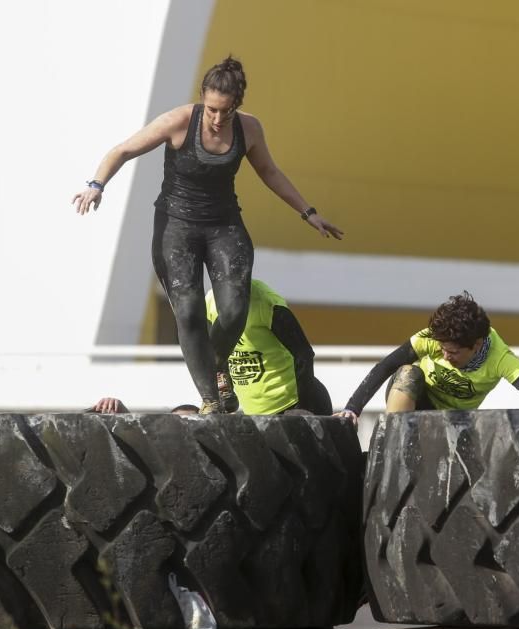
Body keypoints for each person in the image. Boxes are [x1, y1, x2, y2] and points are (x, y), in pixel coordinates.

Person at [73, 56, 344, 414]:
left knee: (234, 310)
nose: (218, 119)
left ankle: (217, 367)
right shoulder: (179, 121)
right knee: (188, 311)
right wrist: (96, 185)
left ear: (238, 105)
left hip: (223, 224)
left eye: (227, 111)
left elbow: (270, 172)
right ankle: (211, 399)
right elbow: (122, 150)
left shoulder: (249, 129)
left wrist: (308, 212)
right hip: (177, 226)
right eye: (213, 109)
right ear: (203, 97)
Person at [336, 292, 519, 424]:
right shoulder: (433, 338)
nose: (445, 356)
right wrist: (352, 409)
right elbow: (385, 367)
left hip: (454, 421)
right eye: (443, 349)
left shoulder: (500, 358)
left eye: (453, 352)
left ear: (475, 345)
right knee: (408, 373)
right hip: (414, 404)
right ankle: (392, 442)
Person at [206, 278, 332, 415]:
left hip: (293, 404)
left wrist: (303, 409)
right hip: (255, 413)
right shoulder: (210, 300)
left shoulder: (265, 301)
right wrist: (226, 390)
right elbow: (215, 352)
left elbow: (304, 353)